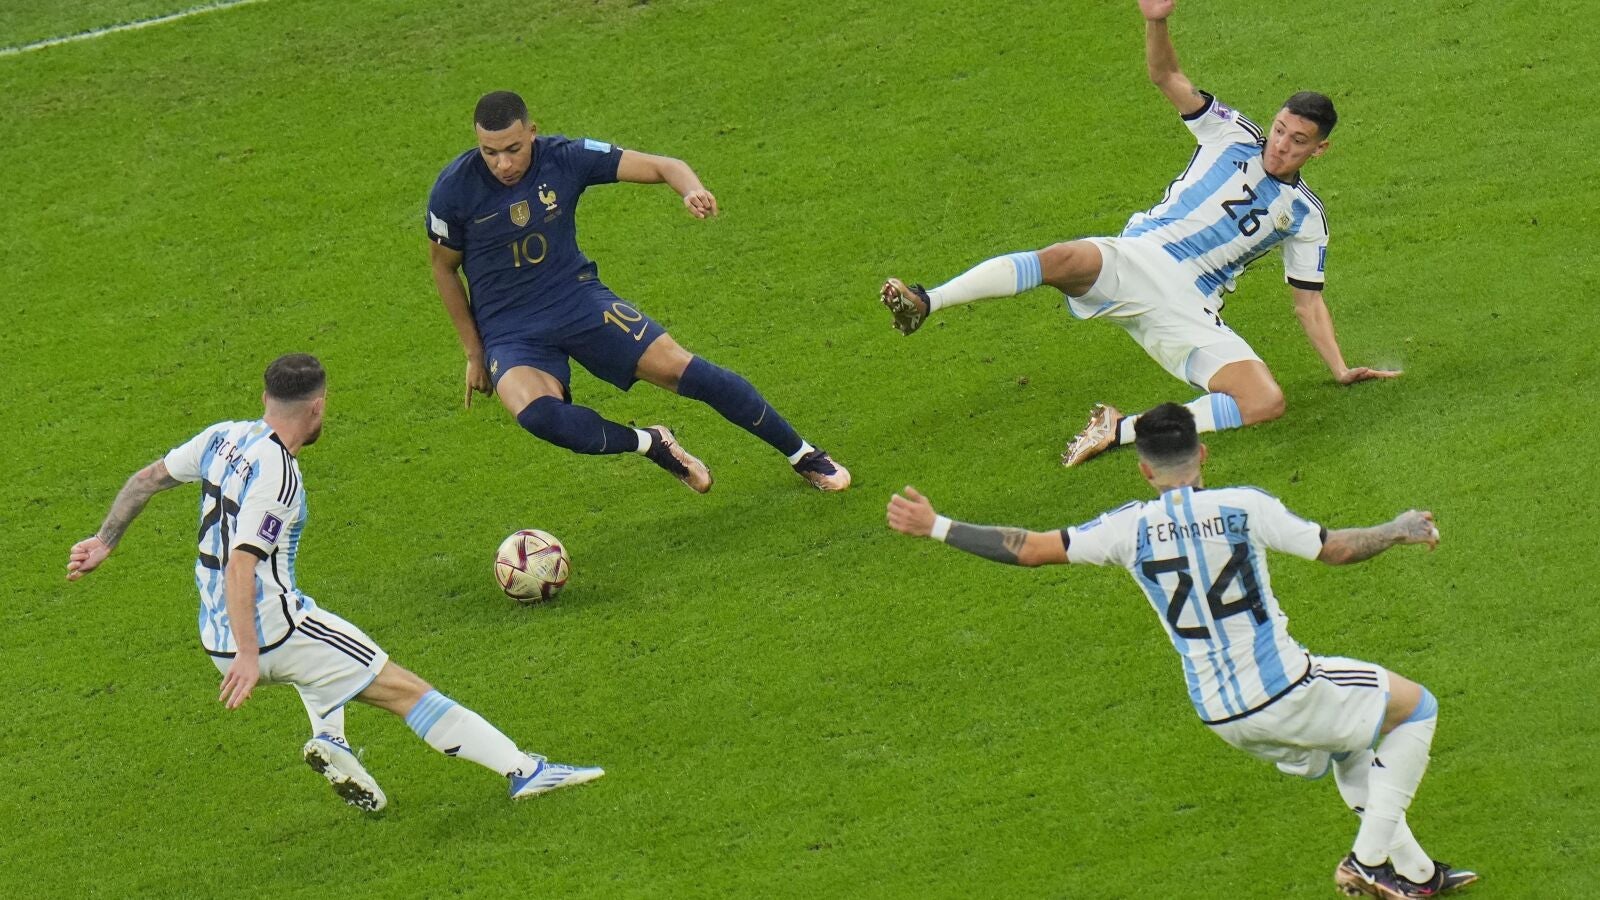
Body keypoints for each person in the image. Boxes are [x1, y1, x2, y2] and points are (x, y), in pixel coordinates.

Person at [885, 403, 1476, 898]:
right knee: (1415, 708)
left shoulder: (1127, 528)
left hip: (1220, 714)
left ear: (1144, 470)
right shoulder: (1242, 506)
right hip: (1283, 688)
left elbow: (1031, 548)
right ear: (1204, 454)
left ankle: (1418, 875)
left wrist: (937, 525)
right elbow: (1335, 549)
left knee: (1350, 745)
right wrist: (1398, 528)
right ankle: (1367, 862)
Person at [65, 354, 603, 811]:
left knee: (322, 651)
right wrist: (251, 655)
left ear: (266, 397)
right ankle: (524, 771)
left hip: (217, 636)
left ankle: (331, 741)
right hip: (269, 632)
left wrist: (105, 540)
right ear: (318, 407)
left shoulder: (221, 437)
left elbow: (146, 480)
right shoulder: (279, 476)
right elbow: (240, 566)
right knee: (403, 689)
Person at [880, 0, 1398, 468]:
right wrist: (1156, 21)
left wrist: (1339, 368)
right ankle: (927, 301)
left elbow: (1308, 302)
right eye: (1281, 129)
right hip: (1140, 256)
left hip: (1188, 305)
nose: (1281, 145)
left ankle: (1118, 429)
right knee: (1061, 259)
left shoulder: (1306, 216)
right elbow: (1166, 75)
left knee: (1265, 401)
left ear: (1319, 150)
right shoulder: (1232, 132)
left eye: (1298, 140)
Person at [427, 91, 849, 493]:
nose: (502, 164)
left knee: (686, 371)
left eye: (513, 149)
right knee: (540, 417)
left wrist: (692, 189)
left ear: (532, 132)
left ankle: (803, 454)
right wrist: (474, 353)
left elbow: (666, 165)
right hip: (510, 330)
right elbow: (444, 268)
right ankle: (650, 443)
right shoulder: (453, 190)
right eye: (490, 152)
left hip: (577, 301)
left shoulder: (565, 157)